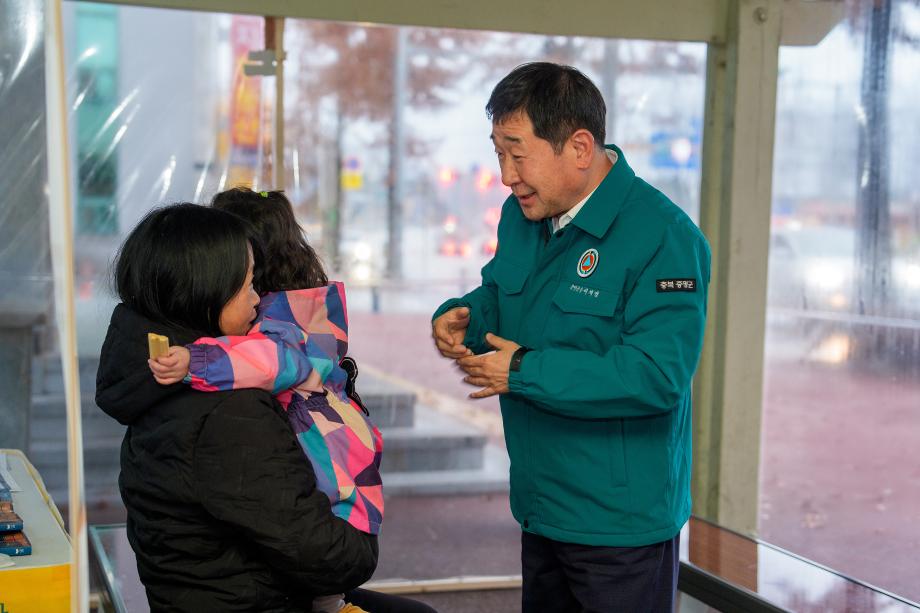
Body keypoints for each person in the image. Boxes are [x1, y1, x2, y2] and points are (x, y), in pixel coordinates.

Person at [431, 62, 711, 612]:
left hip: (619, 528)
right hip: (542, 506)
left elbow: (657, 375)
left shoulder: (664, 236)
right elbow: (502, 293)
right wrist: (465, 315)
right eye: (498, 154)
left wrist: (523, 371)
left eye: (518, 154)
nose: (507, 176)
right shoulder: (523, 214)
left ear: (580, 148)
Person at [97, 203, 431, 613]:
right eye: (249, 284)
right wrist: (359, 518)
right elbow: (333, 558)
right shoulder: (228, 411)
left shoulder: (155, 375)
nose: (258, 300)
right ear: (205, 291)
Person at [147, 190, 383, 613]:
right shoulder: (303, 315)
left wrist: (197, 361)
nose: (252, 296)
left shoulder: (268, 332)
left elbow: (267, 361)